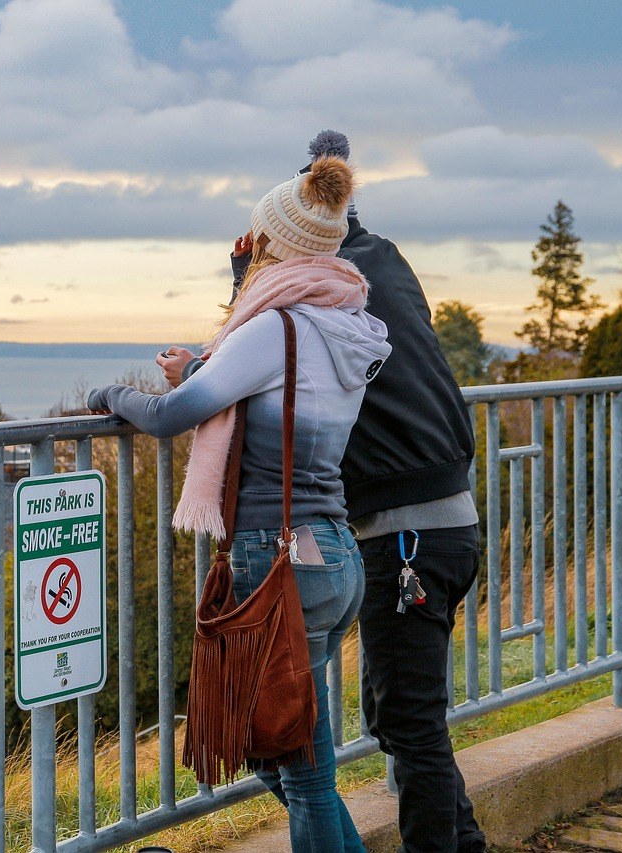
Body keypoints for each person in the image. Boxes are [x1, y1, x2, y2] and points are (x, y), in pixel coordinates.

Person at [161, 131, 486, 853]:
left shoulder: (321, 297)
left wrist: (241, 283)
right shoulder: (380, 271)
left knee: (404, 725)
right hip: (439, 520)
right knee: (401, 721)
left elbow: (259, 364)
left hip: (401, 532)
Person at [88, 155, 390, 853]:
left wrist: (114, 397)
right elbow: (274, 397)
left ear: (270, 244)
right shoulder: (348, 324)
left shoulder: (276, 327)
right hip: (333, 554)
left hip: (276, 556)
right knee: (274, 750)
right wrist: (201, 366)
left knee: (302, 770)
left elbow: (171, 415)